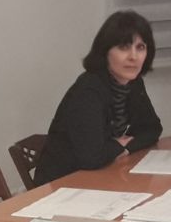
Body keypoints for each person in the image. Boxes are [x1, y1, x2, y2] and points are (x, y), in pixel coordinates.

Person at [33, 10, 164, 185]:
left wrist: (124, 146)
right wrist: (119, 145)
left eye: (140, 48)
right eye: (124, 47)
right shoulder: (89, 90)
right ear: (105, 52)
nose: (133, 57)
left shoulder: (133, 84)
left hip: (100, 175)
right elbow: (91, 158)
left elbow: (152, 129)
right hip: (61, 184)